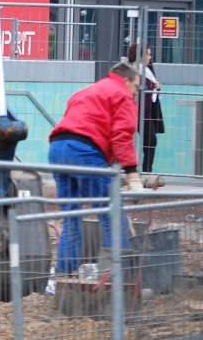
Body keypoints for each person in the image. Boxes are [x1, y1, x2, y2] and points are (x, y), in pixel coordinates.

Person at [48, 62, 144, 275]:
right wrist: (132, 175)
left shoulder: (86, 91)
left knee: (71, 218)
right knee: (112, 213)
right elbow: (122, 136)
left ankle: (65, 276)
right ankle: (114, 278)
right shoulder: (121, 94)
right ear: (126, 80)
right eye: (137, 87)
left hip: (58, 149)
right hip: (85, 152)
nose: (136, 93)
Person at [129, 42, 165, 173]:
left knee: (150, 140)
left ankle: (146, 170)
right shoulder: (137, 70)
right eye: (148, 55)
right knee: (150, 140)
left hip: (145, 112)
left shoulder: (147, 70)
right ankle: (145, 170)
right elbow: (140, 88)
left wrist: (155, 86)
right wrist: (153, 86)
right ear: (141, 56)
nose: (150, 57)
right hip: (140, 112)